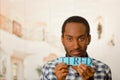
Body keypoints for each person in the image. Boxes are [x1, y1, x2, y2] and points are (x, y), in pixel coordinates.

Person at [40, 16, 112, 80]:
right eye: (69, 39)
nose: (76, 46)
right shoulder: (48, 69)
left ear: (88, 39)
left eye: (81, 39)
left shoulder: (104, 70)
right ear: (62, 40)